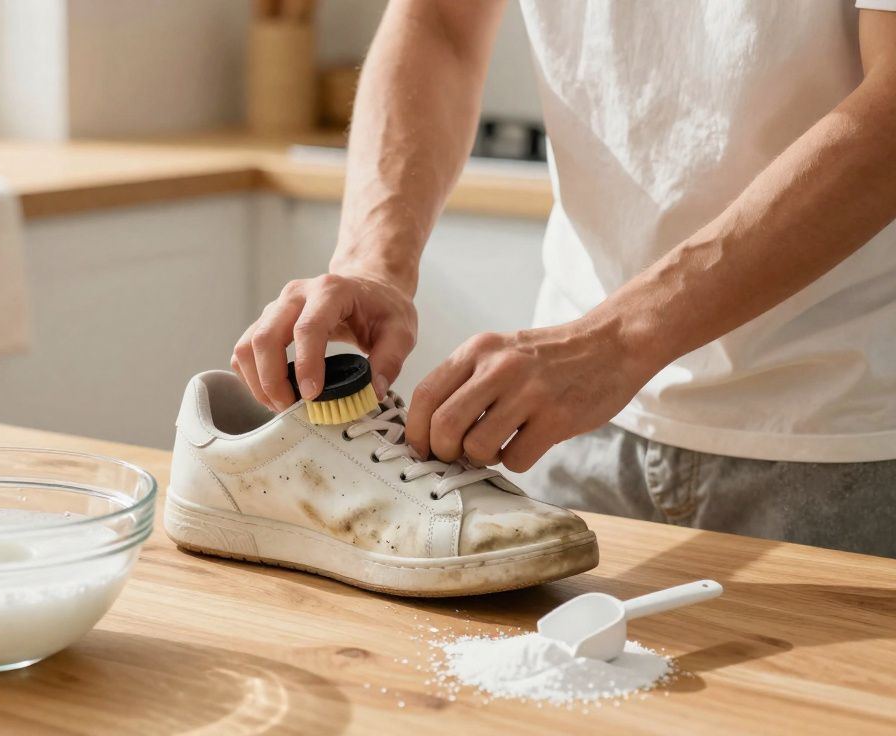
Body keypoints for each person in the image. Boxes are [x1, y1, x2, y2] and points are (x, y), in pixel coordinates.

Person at [231, 0, 896, 558]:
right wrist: (371, 261)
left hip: (846, 434)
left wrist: (617, 340)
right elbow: (440, 21)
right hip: (568, 436)